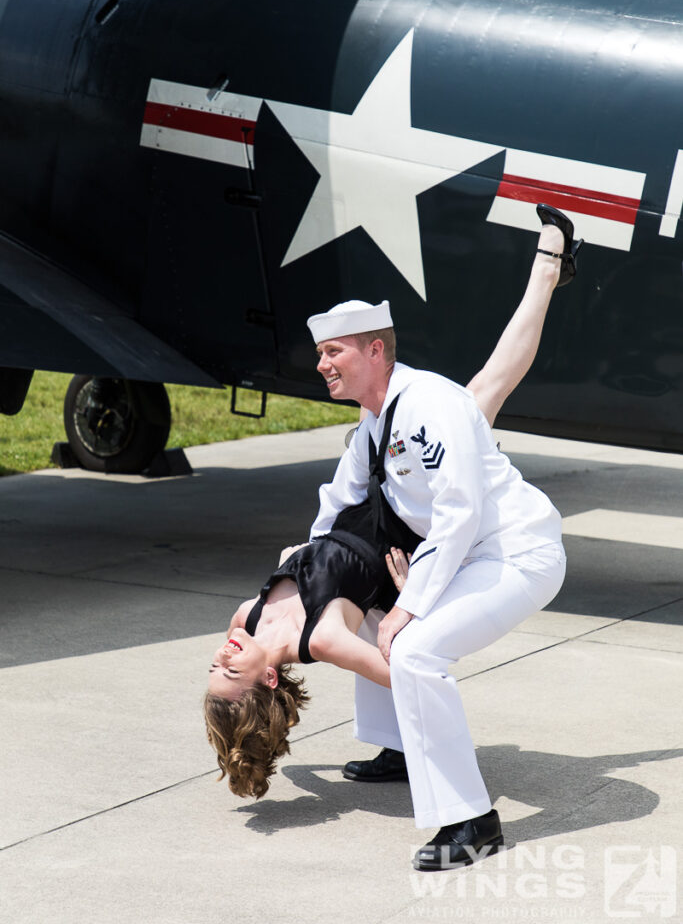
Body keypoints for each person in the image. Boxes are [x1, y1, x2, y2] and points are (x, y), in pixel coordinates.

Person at [205, 208, 578, 862]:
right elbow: (339, 503)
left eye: (332, 352)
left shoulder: (428, 405)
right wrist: (322, 560)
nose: (321, 365)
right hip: (461, 548)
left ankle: (471, 823)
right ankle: (410, 752)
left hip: (517, 550)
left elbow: (459, 511)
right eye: (320, 353)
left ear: (374, 350)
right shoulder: (379, 421)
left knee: (409, 649)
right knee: (391, 628)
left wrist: (411, 603)